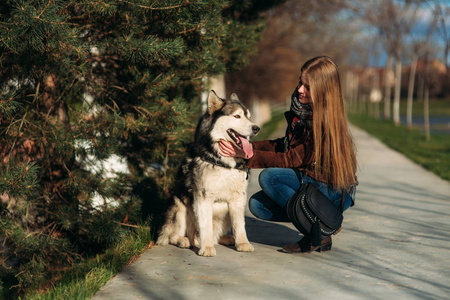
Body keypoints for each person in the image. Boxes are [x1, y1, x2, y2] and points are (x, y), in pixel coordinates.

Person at [219, 55, 358, 254]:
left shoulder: (323, 122)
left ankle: (319, 231)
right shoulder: (304, 112)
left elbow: (290, 160)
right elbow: (283, 146)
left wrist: (245, 156)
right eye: (301, 83)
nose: (300, 90)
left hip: (331, 193)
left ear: (323, 91)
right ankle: (320, 231)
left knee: (271, 177)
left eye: (308, 87)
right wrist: (248, 147)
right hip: (314, 183)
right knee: (258, 205)